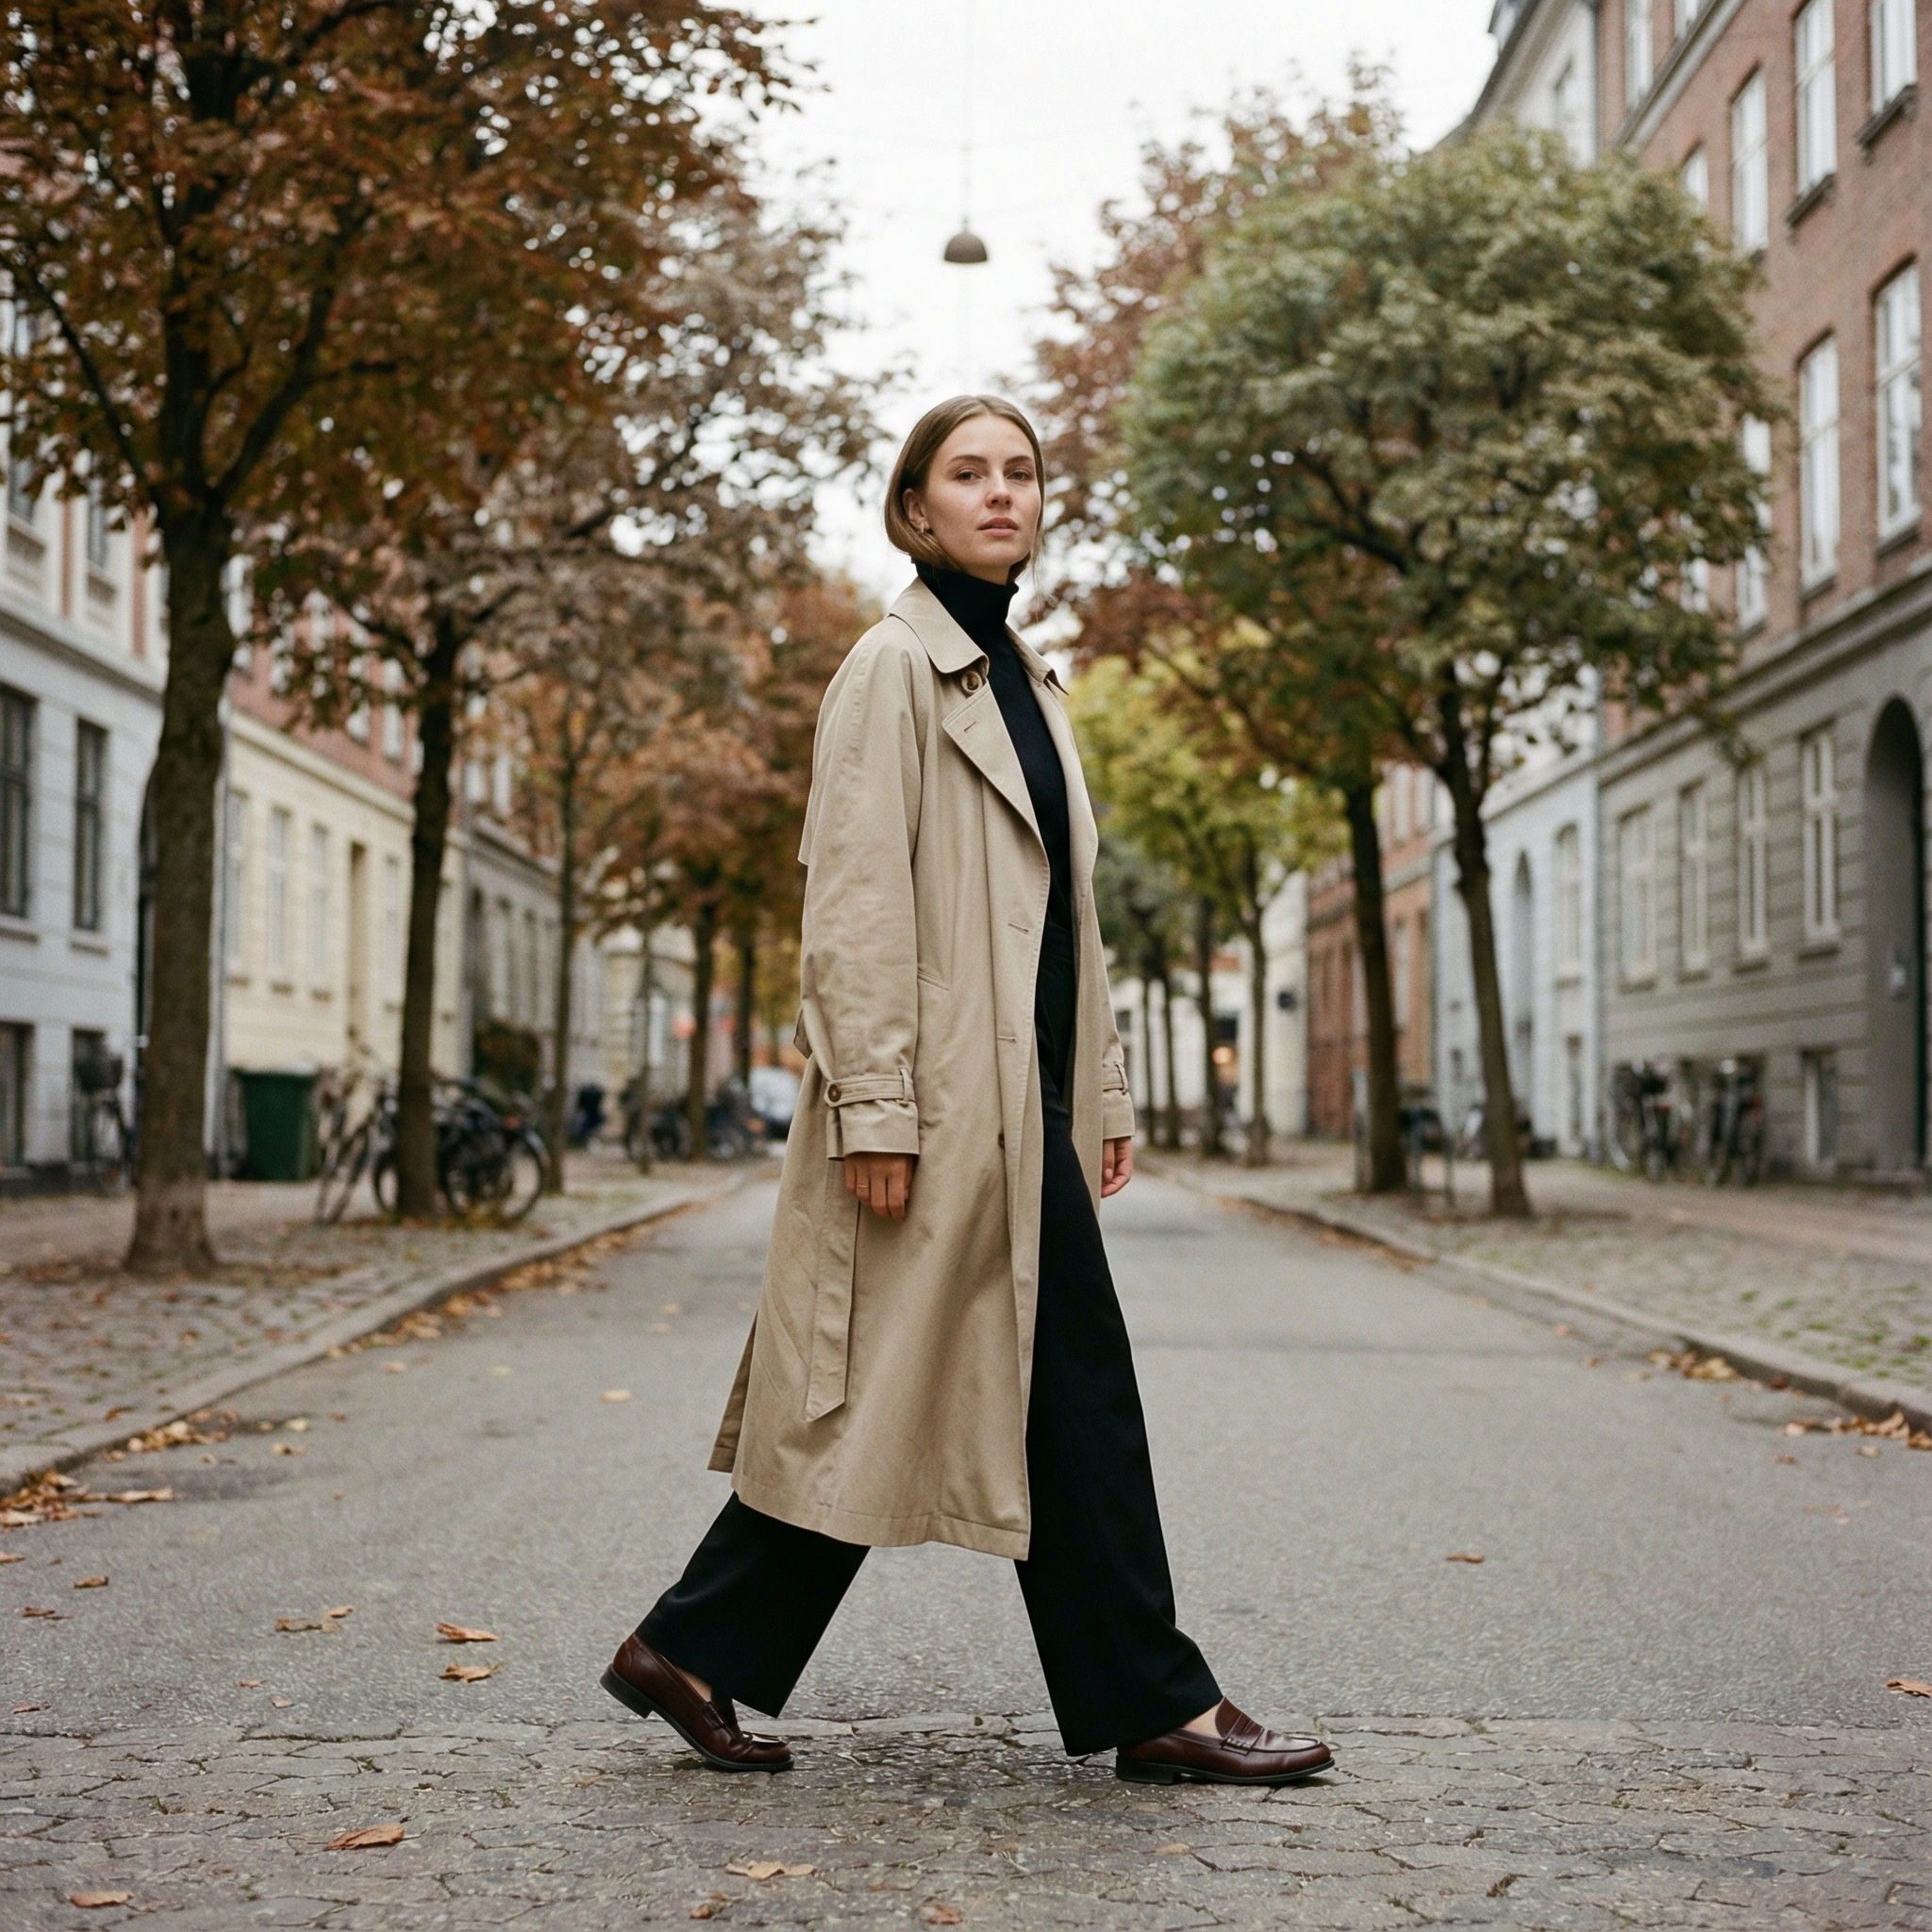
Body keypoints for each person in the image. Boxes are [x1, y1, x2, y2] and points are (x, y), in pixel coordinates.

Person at [601, 396, 1333, 1789]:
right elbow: (854, 905)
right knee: (1008, 1396)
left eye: (1022, 473)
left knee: (989, 1399)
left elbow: (1068, 926)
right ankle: (1153, 1701)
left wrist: (1100, 1092)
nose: (1002, 493)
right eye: (968, 473)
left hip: (1021, 1108)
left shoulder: (1026, 683)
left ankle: (692, 1648)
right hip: (937, 1110)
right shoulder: (891, 669)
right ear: (915, 507)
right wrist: (875, 1106)